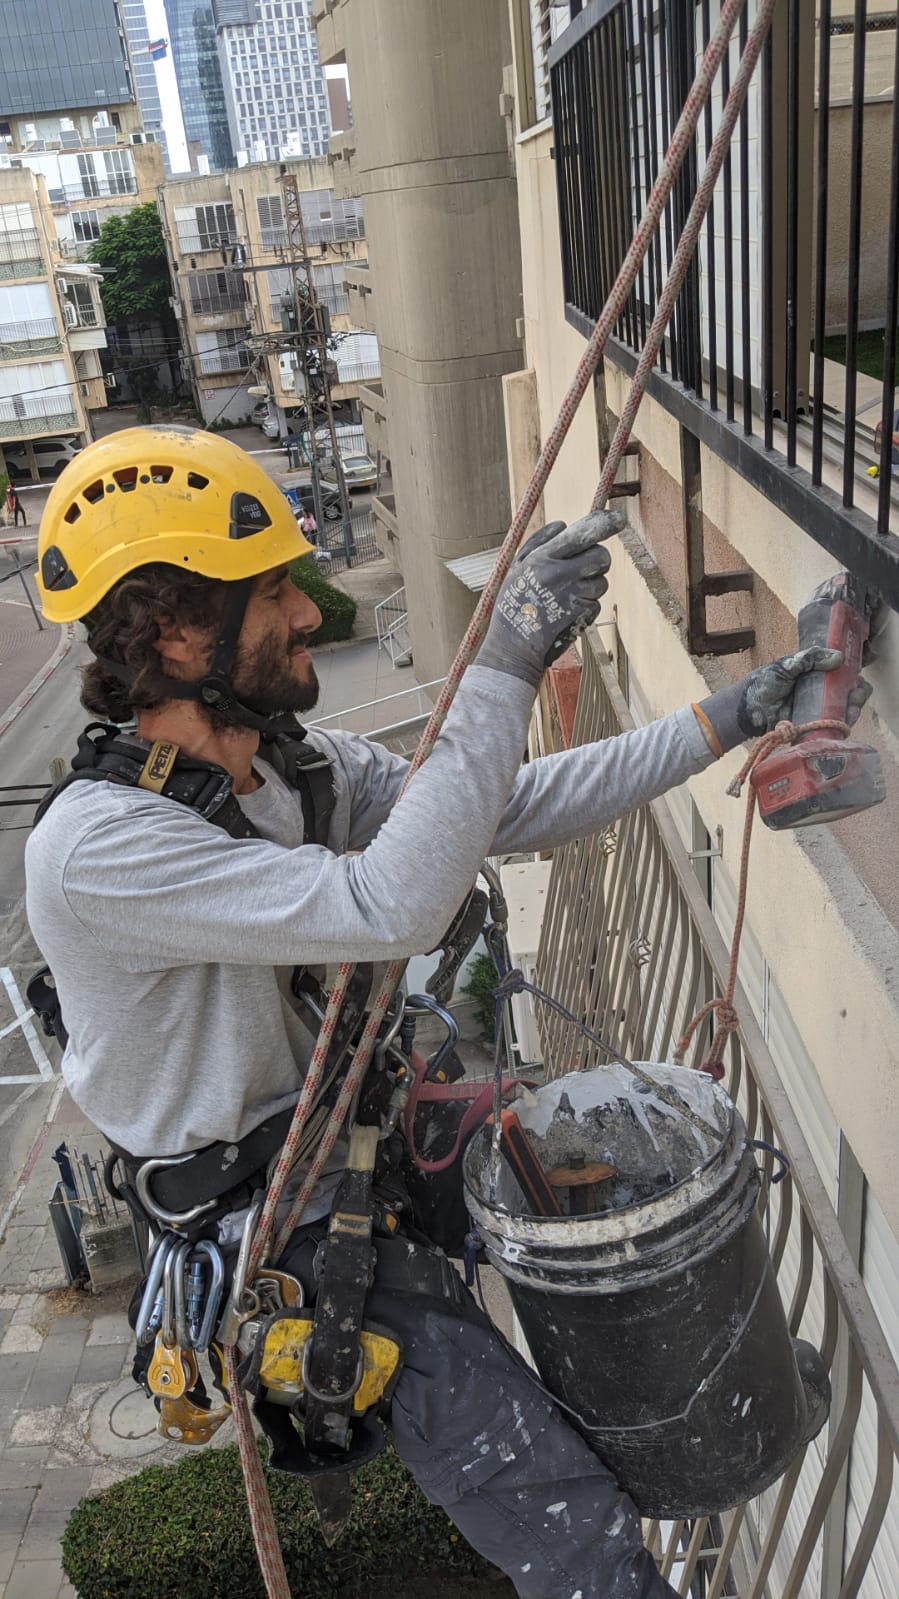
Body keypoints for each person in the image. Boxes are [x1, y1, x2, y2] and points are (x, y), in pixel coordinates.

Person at [25, 426, 851, 1599]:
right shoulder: (99, 849)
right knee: (561, 1521)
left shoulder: (280, 766)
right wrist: (504, 658)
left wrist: (724, 717)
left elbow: (492, 809)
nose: (309, 617)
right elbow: (390, 902)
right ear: (173, 632)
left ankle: (715, 1405)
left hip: (352, 1138)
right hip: (277, 1229)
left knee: (605, 1167)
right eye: (273, 596)